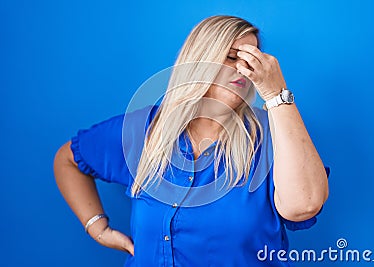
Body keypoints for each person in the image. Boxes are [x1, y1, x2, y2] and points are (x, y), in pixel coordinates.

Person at [54, 15, 329, 267]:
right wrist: (97, 228)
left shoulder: (275, 134)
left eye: (252, 62)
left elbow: (303, 206)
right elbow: (68, 159)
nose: (244, 72)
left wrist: (276, 93)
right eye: (232, 57)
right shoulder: (144, 130)